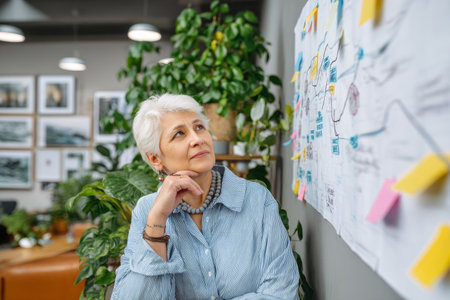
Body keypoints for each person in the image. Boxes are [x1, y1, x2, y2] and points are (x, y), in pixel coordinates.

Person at [112, 94, 299, 299]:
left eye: (199, 127)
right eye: (179, 134)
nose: (197, 139)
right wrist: (157, 221)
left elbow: (281, 292)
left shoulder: (257, 200)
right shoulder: (147, 211)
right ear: (156, 159)